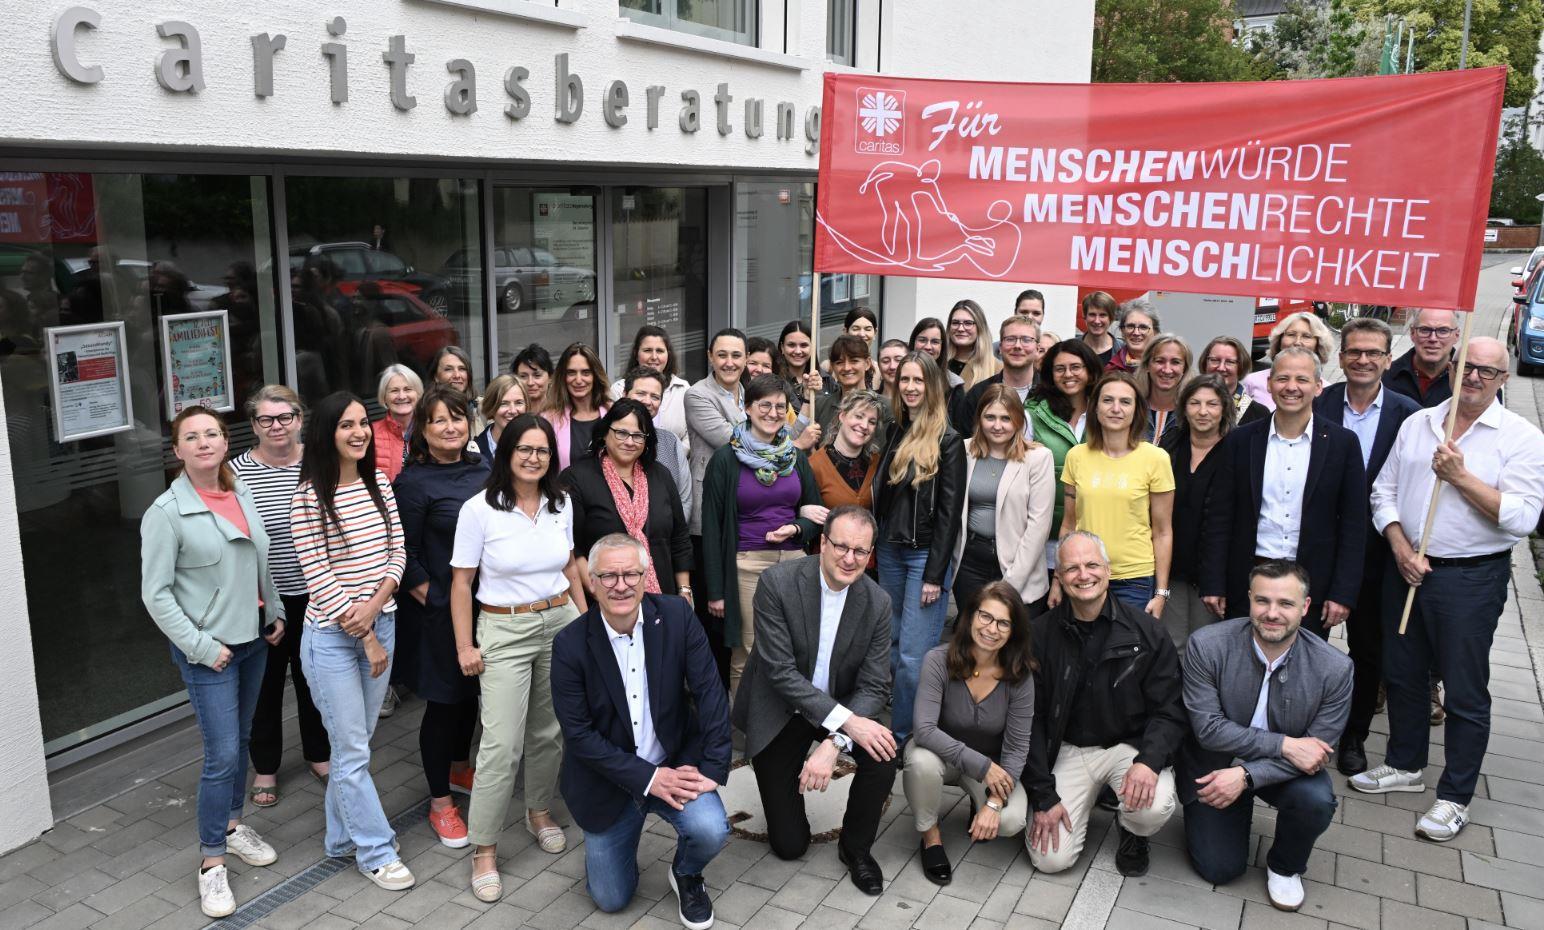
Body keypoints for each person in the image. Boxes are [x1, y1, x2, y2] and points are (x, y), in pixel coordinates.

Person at [1351, 338, 1544, 842]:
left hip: (1469, 579)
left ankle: (1455, 795)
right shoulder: (1420, 423)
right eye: (1469, 368)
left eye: (1489, 371)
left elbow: (1523, 518)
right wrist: (1397, 545)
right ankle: (1405, 764)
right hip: (1407, 568)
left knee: (1462, 689)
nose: (1476, 378)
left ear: (1504, 379)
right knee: (1403, 673)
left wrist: (1460, 477)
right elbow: (1384, 491)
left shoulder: (1521, 437)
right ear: (1453, 370)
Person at [142, 407, 281, 918]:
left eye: (212, 434)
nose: (204, 443)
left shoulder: (239, 490)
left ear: (225, 443)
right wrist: (203, 647)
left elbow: (259, 559)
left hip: (253, 642)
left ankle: (231, 823)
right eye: (191, 437)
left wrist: (277, 610)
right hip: (211, 656)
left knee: (241, 740)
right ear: (177, 450)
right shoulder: (166, 512)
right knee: (221, 755)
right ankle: (211, 863)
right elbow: (156, 596)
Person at [551, 535, 731, 926]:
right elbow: (579, 735)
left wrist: (714, 770)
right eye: (609, 576)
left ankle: (686, 873)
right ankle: (616, 847)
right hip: (608, 782)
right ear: (592, 582)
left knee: (711, 828)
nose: (621, 585)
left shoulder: (677, 617)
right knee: (611, 899)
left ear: (645, 576)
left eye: (631, 574)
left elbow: (711, 692)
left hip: (674, 762)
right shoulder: (569, 645)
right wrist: (649, 779)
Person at [450, 414, 590, 900]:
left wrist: (586, 623)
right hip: (504, 628)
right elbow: (462, 583)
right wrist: (466, 645)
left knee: (550, 731)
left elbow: (571, 565)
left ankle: (538, 812)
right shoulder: (479, 510)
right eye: (525, 449)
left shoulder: (561, 502)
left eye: (543, 450)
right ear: (506, 452)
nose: (534, 458)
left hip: (560, 621)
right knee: (502, 743)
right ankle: (484, 848)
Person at [732, 507, 897, 896]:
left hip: (838, 707)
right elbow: (779, 672)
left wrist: (835, 741)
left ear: (870, 554)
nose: (849, 558)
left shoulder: (877, 603)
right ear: (822, 543)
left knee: (884, 754)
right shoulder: (777, 583)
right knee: (789, 846)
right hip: (782, 706)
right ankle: (785, 789)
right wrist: (847, 723)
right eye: (841, 546)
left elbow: (875, 686)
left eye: (860, 551)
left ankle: (856, 850)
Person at [290, 392, 413, 891]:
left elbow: (398, 552)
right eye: (347, 425)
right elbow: (317, 577)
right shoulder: (307, 496)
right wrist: (366, 636)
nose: (359, 432)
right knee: (353, 750)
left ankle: (341, 839)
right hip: (334, 641)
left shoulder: (378, 482)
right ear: (326, 433)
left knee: (353, 747)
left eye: (364, 423)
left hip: (381, 623)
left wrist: (379, 601)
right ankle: (375, 849)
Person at [1179, 561, 1351, 911]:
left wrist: (1246, 776)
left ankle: (1286, 866)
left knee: (1316, 799)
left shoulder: (1335, 668)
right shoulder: (1207, 645)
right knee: (1220, 869)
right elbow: (1208, 729)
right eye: (1262, 601)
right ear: (1249, 600)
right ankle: (1213, 819)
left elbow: (1316, 754)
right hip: (1215, 766)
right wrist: (1285, 745)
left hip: (1276, 771)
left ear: (1305, 607)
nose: (1272, 613)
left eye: (1286, 604)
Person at [1025, 531, 1184, 878]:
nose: (1084, 575)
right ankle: (1083, 802)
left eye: (1092, 565)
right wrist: (1042, 795)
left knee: (1152, 807)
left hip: (1126, 748)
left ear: (1109, 571)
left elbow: (1170, 710)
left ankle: (1133, 830)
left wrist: (1149, 761)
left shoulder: (1148, 633)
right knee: (1050, 860)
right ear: (1060, 577)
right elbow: (1029, 721)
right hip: (1065, 750)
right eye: (1072, 568)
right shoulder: (1039, 635)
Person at [1313, 317, 1421, 774]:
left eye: (1373, 353)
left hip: (1379, 553)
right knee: (1309, 644)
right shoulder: (1318, 404)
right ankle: (1305, 732)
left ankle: (1353, 736)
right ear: (1340, 358)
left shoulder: (1408, 414)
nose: (1362, 360)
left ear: (1387, 359)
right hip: (1320, 548)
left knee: (1368, 650)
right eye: (1354, 351)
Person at [1202, 347, 1367, 639]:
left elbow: (1354, 525)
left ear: (1318, 386)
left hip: (1311, 588)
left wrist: (1343, 592)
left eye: (1302, 379)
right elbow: (1220, 515)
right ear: (1269, 384)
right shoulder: (1241, 440)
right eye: (1283, 378)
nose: (1291, 387)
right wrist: (1214, 582)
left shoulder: (1343, 444)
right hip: (1248, 581)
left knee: (1304, 674)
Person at [394, 386, 491, 848]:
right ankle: (439, 804)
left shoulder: (483, 470)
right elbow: (405, 552)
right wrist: (437, 599)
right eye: (439, 420)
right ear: (423, 431)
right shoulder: (413, 482)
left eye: (457, 417)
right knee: (444, 702)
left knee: (472, 694)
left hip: (486, 604)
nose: (451, 426)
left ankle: (459, 768)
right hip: (436, 611)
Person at [232, 386, 329, 809]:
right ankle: (266, 767)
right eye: (267, 419)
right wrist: (259, 606)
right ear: (253, 425)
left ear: (300, 418)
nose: (277, 426)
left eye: (285, 417)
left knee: (317, 681)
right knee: (264, 687)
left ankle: (320, 755)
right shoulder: (234, 473)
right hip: (265, 598)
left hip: (318, 592)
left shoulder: (322, 461)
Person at [906, 580, 1036, 885]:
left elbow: (1017, 748)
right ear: (971, 616)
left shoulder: (1020, 676)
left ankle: (978, 806)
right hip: (943, 758)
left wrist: (993, 803)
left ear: (1014, 630)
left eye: (1004, 623)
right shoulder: (938, 660)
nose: (992, 629)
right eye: (986, 617)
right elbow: (923, 730)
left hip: (988, 769)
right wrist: (984, 766)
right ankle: (930, 837)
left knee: (1011, 820)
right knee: (920, 761)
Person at [702, 375, 823, 695]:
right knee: (748, 653)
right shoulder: (725, 460)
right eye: (764, 405)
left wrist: (797, 527)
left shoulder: (796, 457)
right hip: (746, 566)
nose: (772, 412)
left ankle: (787, 729)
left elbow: (816, 515)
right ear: (747, 408)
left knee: (795, 649)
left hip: (794, 564)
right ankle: (745, 735)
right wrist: (716, 590)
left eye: (780, 407)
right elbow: (712, 528)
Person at [874, 351, 965, 744]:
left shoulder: (949, 440)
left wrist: (935, 574)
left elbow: (950, 514)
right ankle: (903, 723)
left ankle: (906, 736)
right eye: (904, 379)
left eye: (918, 381)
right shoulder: (895, 430)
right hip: (890, 553)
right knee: (892, 649)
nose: (910, 387)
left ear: (933, 386)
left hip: (924, 556)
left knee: (914, 657)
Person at [1054, 372, 1175, 617]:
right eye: (1108, 400)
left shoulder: (1155, 458)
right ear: (1095, 408)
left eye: (1125, 402)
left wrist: (1161, 592)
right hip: (1083, 575)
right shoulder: (1076, 456)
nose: (1116, 408)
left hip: (1134, 580)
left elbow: (1162, 532)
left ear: (1137, 410)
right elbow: (1068, 525)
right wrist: (1058, 580)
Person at [564, 399, 693, 598]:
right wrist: (597, 592)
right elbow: (575, 549)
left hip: (662, 596)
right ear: (605, 432)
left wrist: (684, 590)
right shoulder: (577, 478)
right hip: (605, 598)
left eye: (638, 435)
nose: (630, 442)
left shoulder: (660, 475)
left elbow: (679, 538)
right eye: (622, 433)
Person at [954, 385, 1055, 614]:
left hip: (1019, 568)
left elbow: (1039, 525)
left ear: (1018, 421)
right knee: (973, 639)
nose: (997, 426)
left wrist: (1010, 585)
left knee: (1015, 644)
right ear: (979, 418)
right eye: (990, 417)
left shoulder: (1038, 458)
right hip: (970, 564)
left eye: (1006, 418)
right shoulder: (964, 450)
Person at [684, 329, 749, 679]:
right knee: (714, 608)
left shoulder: (751, 393)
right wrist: (782, 429)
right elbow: (734, 439)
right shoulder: (698, 395)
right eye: (722, 354)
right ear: (710, 356)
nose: (729, 362)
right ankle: (711, 688)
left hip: (747, 514)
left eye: (736, 355)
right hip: (709, 515)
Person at [1158, 375, 1236, 650]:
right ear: (1184, 407)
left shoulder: (1236, 450)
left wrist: (1220, 581)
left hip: (1214, 573)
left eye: (1212, 404)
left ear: (1225, 409)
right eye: (1195, 403)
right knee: (1172, 643)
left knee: (1207, 646)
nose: (1203, 412)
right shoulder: (1169, 446)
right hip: (1171, 568)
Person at [1026, 340, 1101, 534]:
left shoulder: (1105, 414)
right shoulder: (1033, 416)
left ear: (1090, 371)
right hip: (1046, 533)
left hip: (1098, 528)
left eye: (1075, 367)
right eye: (1060, 369)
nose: (1068, 374)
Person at [806, 391, 884, 556]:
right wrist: (802, 511)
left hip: (866, 562)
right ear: (842, 416)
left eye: (871, 422)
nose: (864, 425)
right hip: (827, 559)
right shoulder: (815, 465)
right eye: (858, 416)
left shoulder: (877, 463)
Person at [620, 366, 693, 526]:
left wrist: (673, 533)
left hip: (665, 542)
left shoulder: (670, 441)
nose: (647, 401)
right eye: (640, 394)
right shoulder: (607, 439)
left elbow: (684, 498)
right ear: (624, 395)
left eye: (655, 396)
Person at [607, 325, 692, 445]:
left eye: (660, 351)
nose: (654, 357)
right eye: (647, 350)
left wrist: (673, 457)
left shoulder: (683, 389)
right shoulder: (618, 389)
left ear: (668, 354)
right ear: (636, 353)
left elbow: (691, 434)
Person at [961, 316, 1042, 438]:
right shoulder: (978, 394)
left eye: (1026, 340)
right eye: (1010, 339)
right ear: (1000, 347)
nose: (1017, 346)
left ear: (1037, 349)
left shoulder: (1050, 395)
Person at [1240, 312, 1335, 410]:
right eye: (1291, 334)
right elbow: (1236, 420)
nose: (1297, 342)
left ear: (1318, 345)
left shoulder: (1328, 392)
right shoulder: (1251, 382)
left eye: (1306, 336)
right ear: (1279, 341)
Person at [543, 342, 610, 472]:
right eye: (571, 372)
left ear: (595, 376)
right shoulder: (548, 420)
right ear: (563, 377)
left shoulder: (613, 413)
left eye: (585, 372)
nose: (578, 380)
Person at [812, 334, 891, 439]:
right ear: (832, 367)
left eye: (854, 361)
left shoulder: (885, 406)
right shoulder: (820, 405)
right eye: (839, 362)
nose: (847, 367)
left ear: (867, 363)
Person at [1384, 308, 1461, 407]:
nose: (1433, 338)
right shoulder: (1385, 377)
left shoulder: (1467, 379)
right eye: (1424, 330)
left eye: (1443, 331)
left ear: (1456, 335)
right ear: (1412, 333)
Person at [1200, 335, 1270, 427]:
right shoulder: (1189, 403)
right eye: (1214, 360)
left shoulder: (1259, 414)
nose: (1221, 368)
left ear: (1241, 367)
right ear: (1205, 363)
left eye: (1229, 362)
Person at [1135, 334, 1192, 445]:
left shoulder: (1191, 414)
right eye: (1160, 361)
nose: (1167, 370)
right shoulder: (1131, 408)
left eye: (1175, 362)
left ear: (1184, 368)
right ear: (1147, 365)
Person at [372, 364, 422, 484]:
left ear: (418, 394)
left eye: (408, 389)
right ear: (384, 397)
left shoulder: (431, 428)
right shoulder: (370, 433)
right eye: (394, 391)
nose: (401, 396)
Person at [946, 299, 1000, 388]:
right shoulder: (939, 364)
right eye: (955, 323)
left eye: (968, 323)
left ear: (980, 327)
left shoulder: (996, 368)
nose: (960, 328)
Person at [774, 320, 824, 415]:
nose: (798, 351)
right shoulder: (773, 383)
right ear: (782, 347)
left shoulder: (827, 380)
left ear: (812, 347)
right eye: (791, 345)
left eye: (804, 345)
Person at [474, 373, 528, 461]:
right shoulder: (474, 451)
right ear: (491, 406)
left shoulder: (537, 444)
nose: (513, 411)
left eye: (519, 403)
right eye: (504, 404)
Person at [1105, 299, 1158, 374]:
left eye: (1143, 327)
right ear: (1122, 330)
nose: (1136, 333)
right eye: (1130, 326)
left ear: (1155, 332)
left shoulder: (1166, 366)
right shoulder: (1112, 370)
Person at [1079, 291, 1122, 367]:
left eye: (1102, 315)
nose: (1097, 321)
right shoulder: (1070, 348)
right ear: (1085, 316)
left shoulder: (1123, 350)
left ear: (1111, 318)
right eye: (1092, 315)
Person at [512, 342, 554, 414]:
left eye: (537, 375)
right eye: (523, 376)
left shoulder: (561, 411)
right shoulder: (511, 412)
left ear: (550, 377)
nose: (530, 383)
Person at [876, 338, 908, 407]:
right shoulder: (869, 401)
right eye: (885, 361)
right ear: (878, 365)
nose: (892, 367)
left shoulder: (916, 402)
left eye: (898, 360)